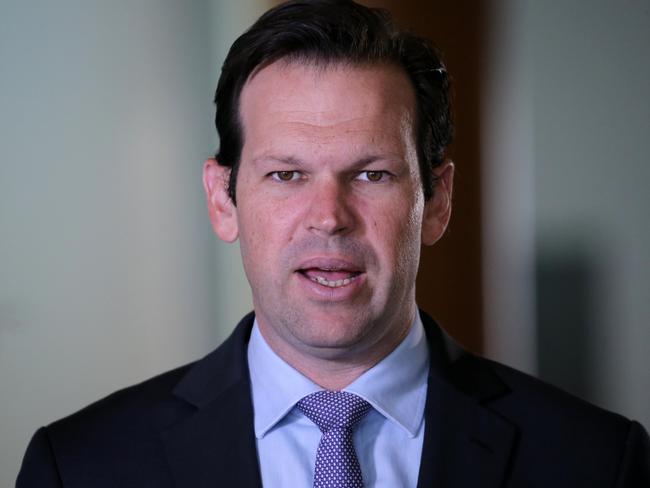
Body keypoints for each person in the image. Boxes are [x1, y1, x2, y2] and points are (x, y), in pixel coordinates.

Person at [16, 1, 649, 486]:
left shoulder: (594, 461)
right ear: (222, 198)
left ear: (438, 201)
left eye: (372, 174)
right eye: (286, 174)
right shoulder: (80, 466)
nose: (328, 218)